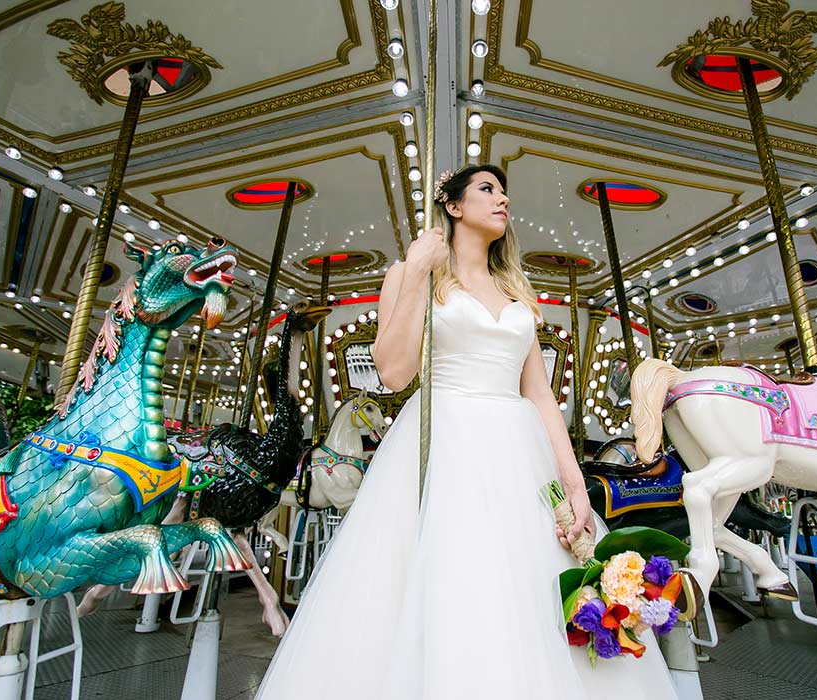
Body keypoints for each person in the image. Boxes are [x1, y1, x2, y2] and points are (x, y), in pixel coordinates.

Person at [253, 165, 679, 699]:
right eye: (487, 190)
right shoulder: (413, 273)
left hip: (517, 446)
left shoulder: (517, 289)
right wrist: (417, 272)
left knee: (529, 575)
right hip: (448, 435)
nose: (503, 200)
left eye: (504, 192)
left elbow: (539, 393)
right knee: (452, 571)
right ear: (453, 206)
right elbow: (393, 373)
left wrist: (572, 479)